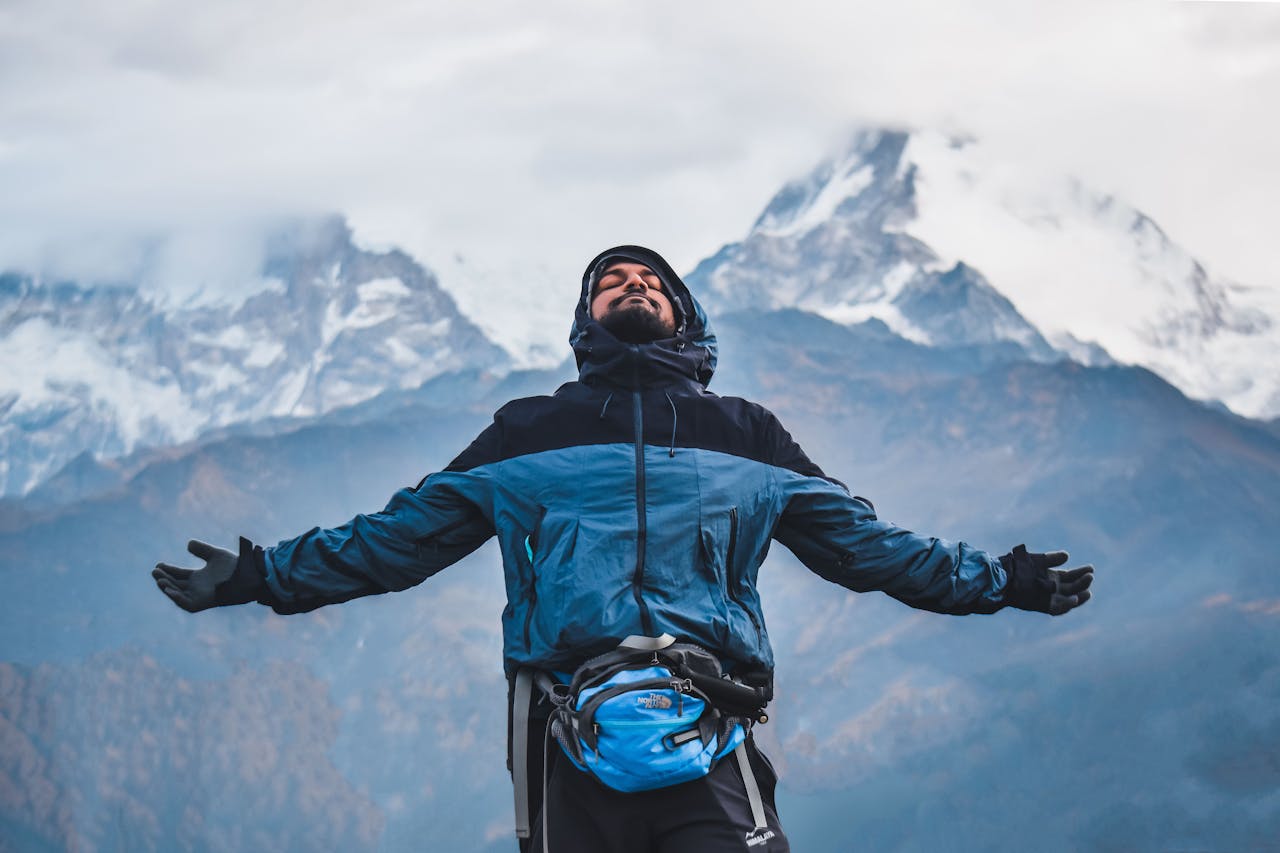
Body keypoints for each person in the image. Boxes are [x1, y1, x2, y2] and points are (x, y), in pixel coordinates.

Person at [152, 245, 1094, 852]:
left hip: (710, 726)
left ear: (686, 320)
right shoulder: (528, 433)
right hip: (568, 735)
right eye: (612, 282)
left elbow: (867, 546)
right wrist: (264, 575)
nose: (632, 287)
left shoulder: (748, 434)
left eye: (651, 282)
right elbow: (401, 537)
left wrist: (997, 582)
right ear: (585, 325)